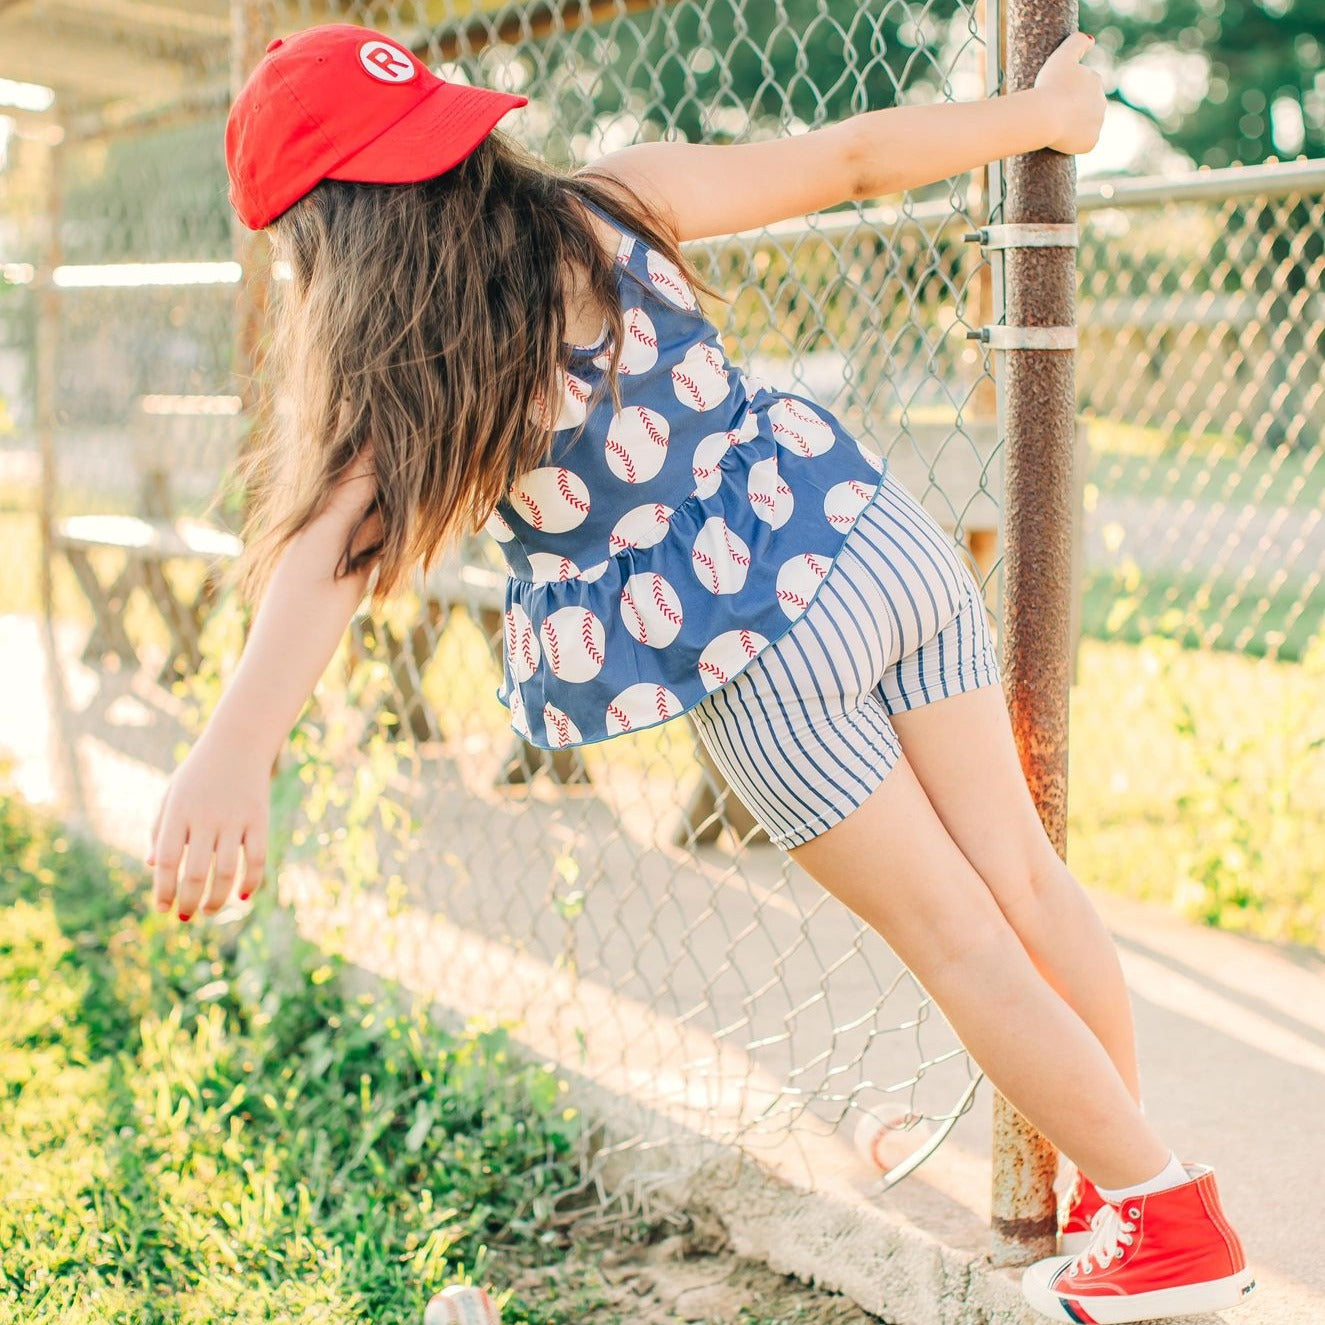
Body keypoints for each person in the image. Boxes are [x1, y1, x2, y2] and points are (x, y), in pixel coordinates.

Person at [147, 22, 1255, 1323]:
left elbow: (329, 558)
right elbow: (849, 158)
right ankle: (1119, 1198)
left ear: (325, 241)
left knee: (960, 939)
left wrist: (232, 748)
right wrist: (1042, 120)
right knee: (1022, 879)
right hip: (869, 537)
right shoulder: (614, 204)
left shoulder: (422, 380)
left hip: (758, 655)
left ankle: (1168, 1225)